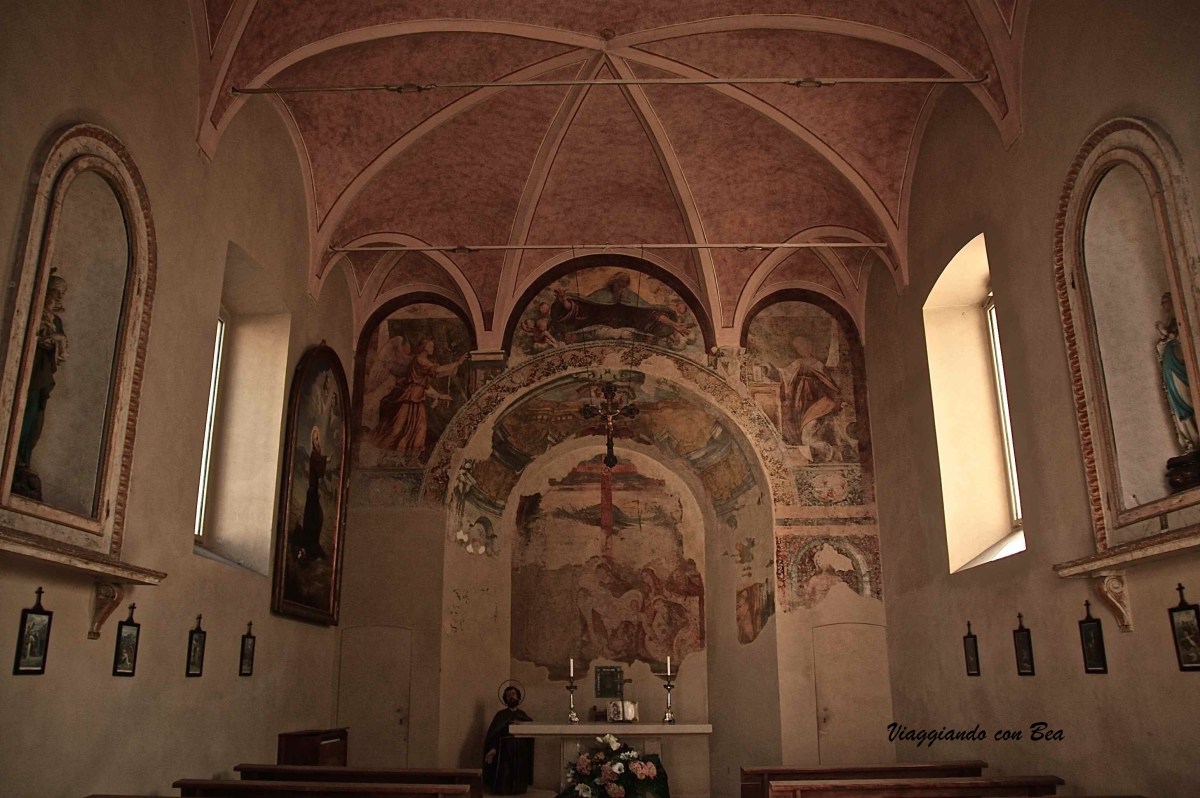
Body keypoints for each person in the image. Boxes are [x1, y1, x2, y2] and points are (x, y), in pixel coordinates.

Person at [14, 272, 69, 500]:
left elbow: (62, 349)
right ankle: (15, 458)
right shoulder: (33, 313)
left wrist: (56, 342)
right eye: (53, 294)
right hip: (30, 370)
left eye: (59, 296)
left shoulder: (55, 321)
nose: (56, 300)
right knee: (24, 410)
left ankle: (23, 458)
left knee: (36, 415)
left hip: (43, 374)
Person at [372, 337, 466, 458]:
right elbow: (437, 370)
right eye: (431, 346)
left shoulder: (422, 363)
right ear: (424, 347)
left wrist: (439, 395)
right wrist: (457, 363)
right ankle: (380, 453)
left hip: (417, 399)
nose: (433, 348)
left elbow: (424, 386)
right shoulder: (419, 360)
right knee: (397, 428)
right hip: (408, 398)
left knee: (419, 430)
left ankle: (409, 458)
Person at [483, 685, 533, 795]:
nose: (511, 697)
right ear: (505, 699)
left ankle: (518, 789)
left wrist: (521, 725)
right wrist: (493, 748)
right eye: (508, 695)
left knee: (519, 770)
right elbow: (494, 734)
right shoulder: (501, 715)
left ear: (518, 697)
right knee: (505, 771)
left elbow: (530, 729)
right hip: (505, 749)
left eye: (513, 694)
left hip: (520, 748)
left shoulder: (522, 715)